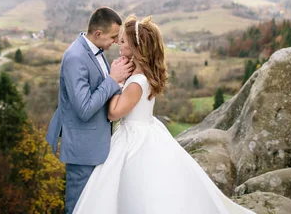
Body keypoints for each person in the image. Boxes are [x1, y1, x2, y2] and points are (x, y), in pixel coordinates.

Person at [73, 15, 256, 214]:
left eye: (123, 41)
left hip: (134, 139)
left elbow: (113, 113)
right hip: (146, 129)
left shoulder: (136, 82)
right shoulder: (141, 74)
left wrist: (113, 81)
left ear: (136, 47)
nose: (118, 43)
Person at [46, 7, 134, 214]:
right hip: (83, 150)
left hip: (98, 146)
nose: (115, 41)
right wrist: (112, 80)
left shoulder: (96, 51)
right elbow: (84, 109)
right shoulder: (75, 57)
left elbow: (99, 89)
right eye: (113, 37)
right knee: (78, 207)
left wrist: (115, 81)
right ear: (98, 34)